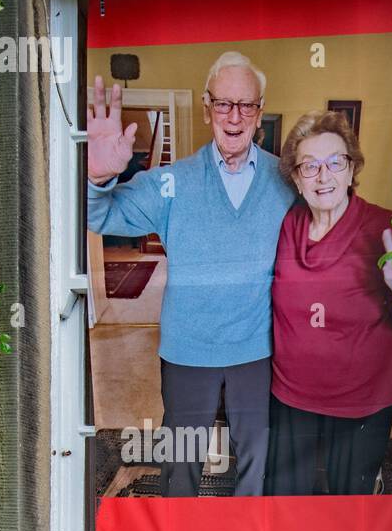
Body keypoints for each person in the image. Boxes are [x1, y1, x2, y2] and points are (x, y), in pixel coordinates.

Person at [86, 53, 294, 496]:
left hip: (257, 349)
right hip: (187, 351)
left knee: (257, 462)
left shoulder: (284, 180)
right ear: (206, 109)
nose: (234, 117)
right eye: (223, 104)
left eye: (246, 105)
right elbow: (97, 215)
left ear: (259, 111)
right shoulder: (172, 182)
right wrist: (98, 174)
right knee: (180, 462)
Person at [265, 110, 392, 497]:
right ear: (295, 177)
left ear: (352, 168)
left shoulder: (384, 227)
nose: (323, 176)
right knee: (286, 501)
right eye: (310, 166)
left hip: (361, 402)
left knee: (350, 506)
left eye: (335, 163)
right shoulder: (286, 226)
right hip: (290, 397)